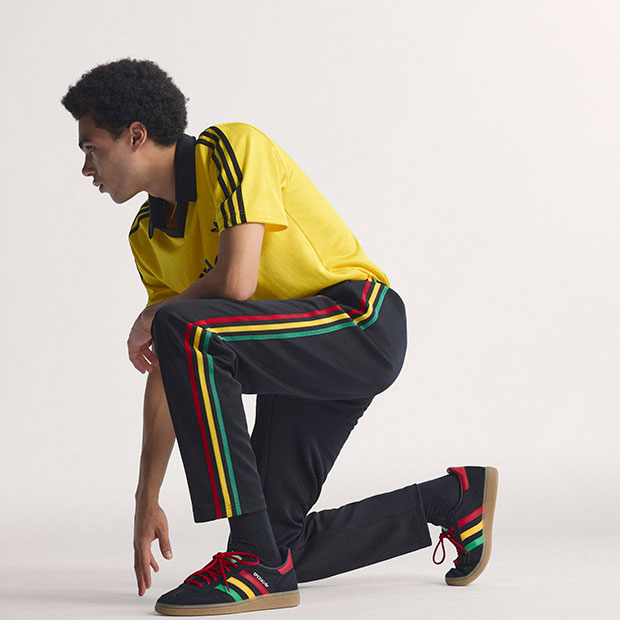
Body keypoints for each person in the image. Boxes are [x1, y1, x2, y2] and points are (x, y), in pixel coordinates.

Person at [61, 58, 498, 617]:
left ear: (136, 135)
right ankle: (453, 499)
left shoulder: (229, 149)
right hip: (290, 362)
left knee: (184, 328)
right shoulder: (147, 236)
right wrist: (146, 497)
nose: (86, 168)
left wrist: (160, 314)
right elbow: (173, 363)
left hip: (358, 323)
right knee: (280, 546)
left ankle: (250, 561)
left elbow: (236, 283)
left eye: (91, 148)